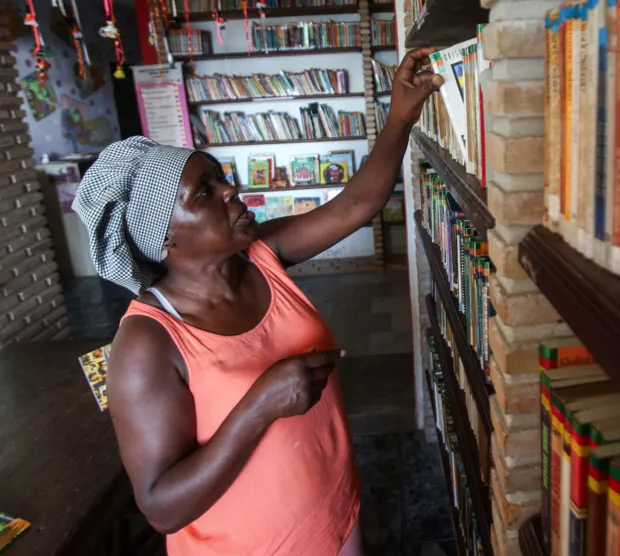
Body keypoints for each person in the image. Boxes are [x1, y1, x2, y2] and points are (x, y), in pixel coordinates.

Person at [72, 48, 441, 556]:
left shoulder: (261, 255)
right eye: (204, 192)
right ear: (163, 240)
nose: (230, 189)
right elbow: (160, 506)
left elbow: (358, 204)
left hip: (332, 510)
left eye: (221, 176)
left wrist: (401, 114)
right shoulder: (148, 343)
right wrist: (259, 406)